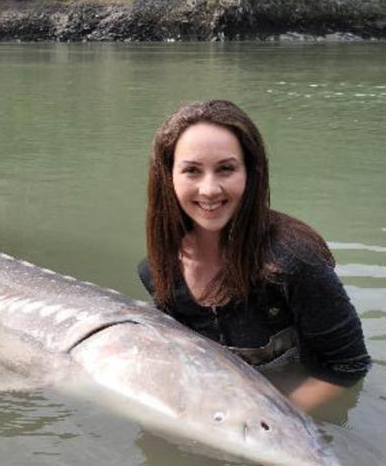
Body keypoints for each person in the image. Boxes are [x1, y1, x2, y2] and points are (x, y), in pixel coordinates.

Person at [138, 99, 370, 413]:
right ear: (168, 177)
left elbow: (349, 366)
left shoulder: (294, 261)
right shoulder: (157, 271)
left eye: (226, 169)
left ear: (250, 173)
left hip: (293, 422)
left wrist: (269, 421)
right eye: (192, 170)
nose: (209, 189)